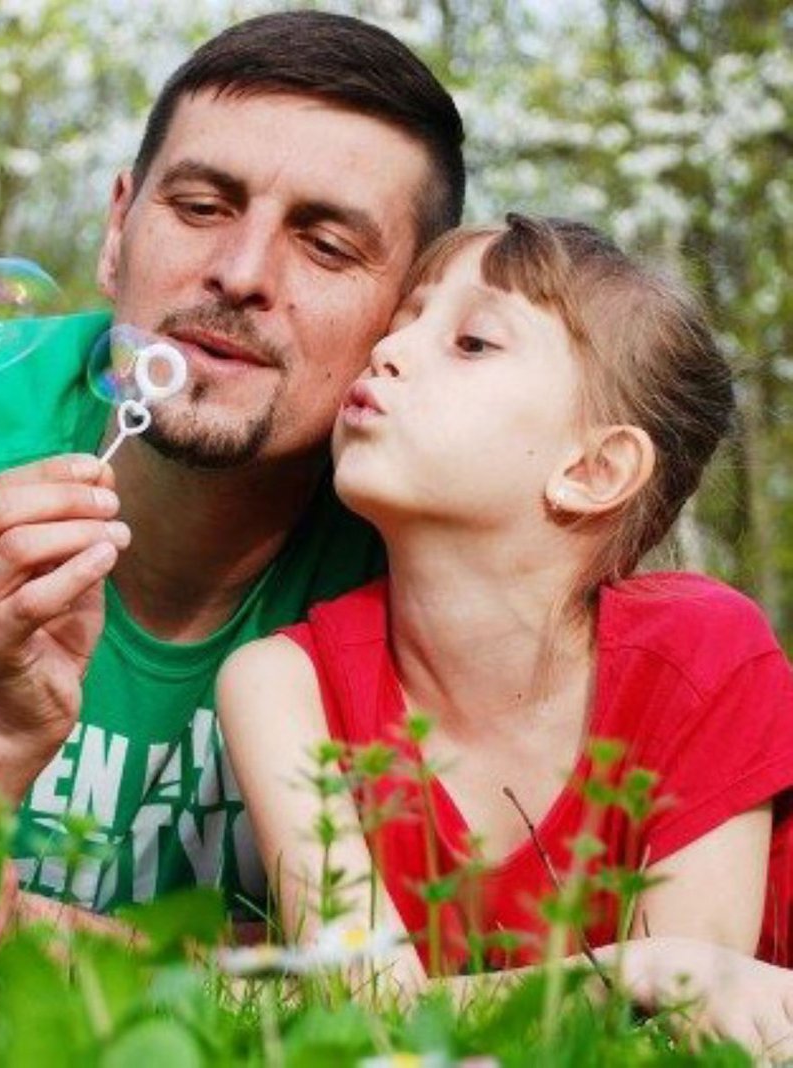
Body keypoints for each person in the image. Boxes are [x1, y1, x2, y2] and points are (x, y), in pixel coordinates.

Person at [0, 10, 466, 934]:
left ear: (408, 317)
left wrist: (66, 952)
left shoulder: (439, 519)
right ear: (117, 230)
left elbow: (450, 975)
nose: (241, 271)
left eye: (327, 245)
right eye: (200, 208)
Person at [216, 214, 793, 1048]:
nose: (389, 350)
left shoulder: (703, 657)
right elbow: (365, 1005)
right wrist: (634, 968)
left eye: (472, 342)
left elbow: (688, 1030)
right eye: (403, 319)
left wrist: (669, 975)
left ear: (593, 470)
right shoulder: (278, 682)